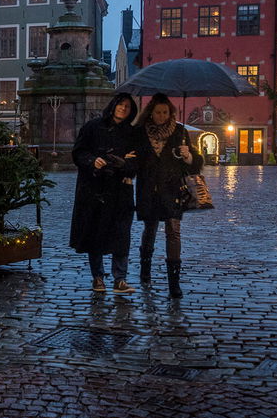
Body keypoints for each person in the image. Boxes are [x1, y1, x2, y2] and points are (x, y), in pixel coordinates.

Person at [132, 93, 203, 298]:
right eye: (158, 112)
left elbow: (194, 163)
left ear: (170, 112)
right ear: (151, 113)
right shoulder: (141, 132)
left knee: (173, 232)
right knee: (150, 229)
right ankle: (145, 270)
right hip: (148, 189)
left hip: (173, 189)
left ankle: (174, 283)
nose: (161, 116)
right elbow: (136, 160)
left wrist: (187, 155)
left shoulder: (180, 131)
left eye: (165, 112)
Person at [69, 92, 139, 294]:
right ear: (114, 105)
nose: (123, 108)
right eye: (121, 104)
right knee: (96, 233)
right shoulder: (93, 127)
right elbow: (79, 152)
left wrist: (124, 163)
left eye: (127, 106)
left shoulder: (132, 133)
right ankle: (98, 278)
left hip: (120, 190)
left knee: (121, 235)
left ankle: (120, 279)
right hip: (95, 189)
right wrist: (93, 160)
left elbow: (137, 161)